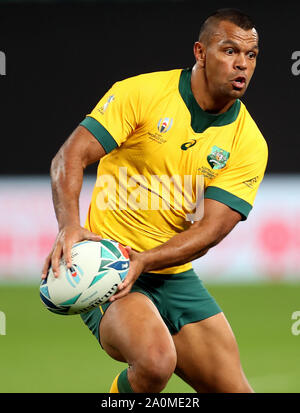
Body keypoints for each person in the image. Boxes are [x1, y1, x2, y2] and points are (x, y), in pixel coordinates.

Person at [42, 8, 268, 393]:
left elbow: (212, 229)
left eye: (251, 55)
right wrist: (69, 226)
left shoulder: (248, 142)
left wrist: (146, 260)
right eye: (230, 51)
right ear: (200, 52)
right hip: (109, 269)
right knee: (155, 361)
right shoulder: (142, 94)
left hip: (173, 275)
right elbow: (70, 156)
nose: (241, 65)